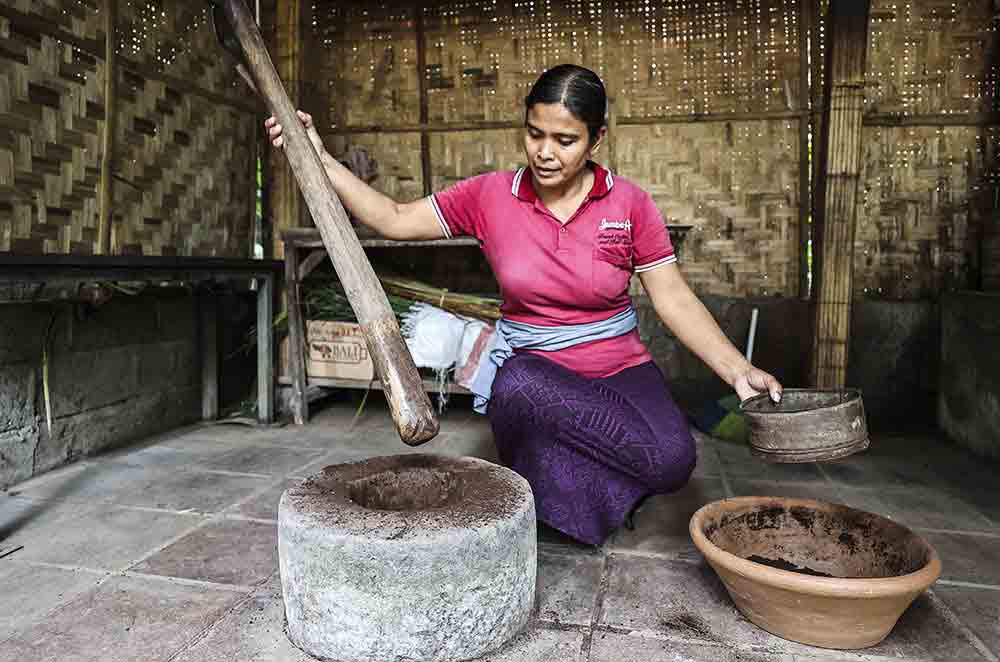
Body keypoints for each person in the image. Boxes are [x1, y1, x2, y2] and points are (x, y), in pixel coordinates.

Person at [266, 64, 783, 546]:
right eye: (535, 133)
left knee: (673, 460)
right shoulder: (491, 196)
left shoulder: (629, 205)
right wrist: (318, 155)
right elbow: (396, 217)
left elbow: (672, 297)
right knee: (515, 382)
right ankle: (569, 491)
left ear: (597, 139)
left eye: (565, 139)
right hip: (535, 379)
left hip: (617, 368)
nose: (545, 152)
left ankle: (571, 495)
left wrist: (738, 369)